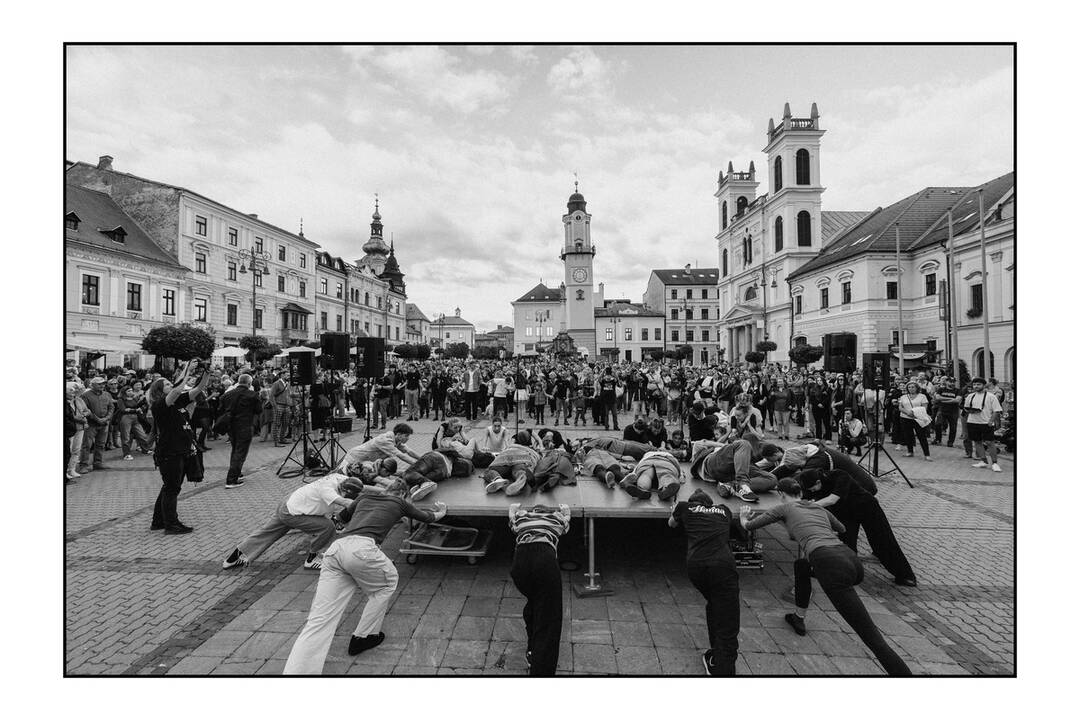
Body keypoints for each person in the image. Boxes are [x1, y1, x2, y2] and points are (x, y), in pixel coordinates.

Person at [740, 478, 912, 676]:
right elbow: (842, 529)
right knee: (802, 566)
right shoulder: (819, 509)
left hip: (831, 565)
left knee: (873, 639)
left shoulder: (783, 508)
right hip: (851, 561)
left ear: (781, 494)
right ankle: (798, 617)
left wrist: (745, 517)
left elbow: (749, 526)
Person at [283, 479, 447, 674]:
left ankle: (297, 673)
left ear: (385, 490)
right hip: (362, 550)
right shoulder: (400, 503)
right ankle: (362, 637)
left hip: (336, 550)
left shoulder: (364, 498)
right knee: (385, 585)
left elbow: (342, 518)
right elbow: (428, 517)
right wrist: (442, 511)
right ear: (403, 494)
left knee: (319, 619)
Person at [798, 468, 917, 587]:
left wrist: (809, 506)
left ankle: (905, 575)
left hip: (867, 508)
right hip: (846, 514)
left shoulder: (840, 475)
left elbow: (832, 499)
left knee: (883, 540)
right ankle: (846, 573)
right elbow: (805, 497)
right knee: (846, 544)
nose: (812, 491)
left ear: (818, 482)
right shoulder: (811, 484)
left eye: (812, 488)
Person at [222, 474, 366, 570]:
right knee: (327, 527)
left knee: (266, 533)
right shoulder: (329, 490)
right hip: (292, 511)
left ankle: (232, 559)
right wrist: (367, 506)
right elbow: (346, 502)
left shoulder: (341, 478)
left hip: (289, 504)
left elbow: (363, 488)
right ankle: (312, 559)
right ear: (346, 491)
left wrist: (383, 492)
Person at [669, 489, 742, 676]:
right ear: (710, 503)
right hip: (723, 566)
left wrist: (674, 511)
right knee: (728, 620)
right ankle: (723, 669)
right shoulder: (724, 510)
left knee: (714, 605)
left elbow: (671, 524)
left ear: (693, 502)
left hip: (696, 567)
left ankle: (716, 656)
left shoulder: (684, 507)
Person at [508, 501, 571, 676]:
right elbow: (567, 519)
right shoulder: (555, 519)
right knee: (549, 619)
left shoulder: (522, 518)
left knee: (535, 604)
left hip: (520, 563)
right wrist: (565, 510)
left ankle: (532, 650)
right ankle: (541, 672)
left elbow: (511, 516)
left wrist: (514, 507)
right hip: (544, 559)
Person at [149, 360, 210, 534]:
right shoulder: (160, 405)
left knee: (169, 486)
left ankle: (158, 521)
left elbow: (198, 390)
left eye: (170, 382)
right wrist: (187, 371)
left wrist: (206, 373)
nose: (171, 385)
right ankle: (171, 524)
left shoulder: (178, 402)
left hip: (181, 449)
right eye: (166, 384)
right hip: (170, 452)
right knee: (172, 488)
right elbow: (177, 389)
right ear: (160, 391)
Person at [692, 440, 784, 503]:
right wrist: (722, 445)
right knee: (743, 443)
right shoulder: (701, 452)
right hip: (714, 464)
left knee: (772, 479)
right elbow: (698, 443)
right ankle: (743, 484)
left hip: (734, 472)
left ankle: (731, 486)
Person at [218, 373, 260, 488]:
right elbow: (258, 410)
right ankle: (231, 480)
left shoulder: (227, 395)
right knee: (240, 452)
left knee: (235, 449)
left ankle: (237, 473)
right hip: (245, 426)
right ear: (249, 383)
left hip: (231, 427)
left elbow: (220, 410)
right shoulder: (252, 395)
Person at [337, 423, 423, 472]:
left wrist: (422, 459)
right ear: (399, 434)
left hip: (365, 461)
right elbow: (401, 455)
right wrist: (417, 465)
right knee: (341, 477)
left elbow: (409, 451)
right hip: (354, 458)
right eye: (406, 436)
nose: (408, 438)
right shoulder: (385, 440)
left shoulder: (396, 440)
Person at [480, 431, 541, 496]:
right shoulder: (530, 449)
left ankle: (497, 479)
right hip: (521, 460)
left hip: (506, 457)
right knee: (519, 470)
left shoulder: (512, 446)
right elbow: (537, 457)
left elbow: (505, 450)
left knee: (489, 471)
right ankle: (522, 477)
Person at [964, 377, 1003, 472]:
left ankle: (994, 463)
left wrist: (991, 421)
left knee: (990, 442)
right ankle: (983, 461)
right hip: (972, 421)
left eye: (978, 384)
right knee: (977, 441)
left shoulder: (991, 396)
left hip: (986, 422)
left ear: (983, 385)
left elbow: (997, 410)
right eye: (974, 384)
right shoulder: (970, 396)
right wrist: (970, 411)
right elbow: (966, 408)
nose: (976, 386)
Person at [78, 376, 115, 474]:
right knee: (87, 445)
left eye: (103, 383)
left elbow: (111, 407)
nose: (102, 385)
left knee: (101, 444)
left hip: (104, 423)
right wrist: (97, 419)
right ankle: (83, 465)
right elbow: (85, 410)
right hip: (91, 424)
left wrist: (106, 418)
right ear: (93, 385)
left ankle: (98, 463)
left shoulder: (107, 394)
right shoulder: (85, 395)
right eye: (99, 384)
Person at [619, 448, 683, 501]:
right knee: (667, 474)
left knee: (645, 475)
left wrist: (634, 472)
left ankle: (642, 489)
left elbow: (637, 467)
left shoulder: (647, 454)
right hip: (666, 462)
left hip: (647, 462)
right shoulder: (669, 455)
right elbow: (678, 469)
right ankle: (666, 489)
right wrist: (680, 476)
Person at [897, 381, 932, 461]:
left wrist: (914, 413)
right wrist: (907, 412)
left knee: (922, 436)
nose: (911, 389)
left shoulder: (922, 396)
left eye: (913, 387)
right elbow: (900, 407)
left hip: (918, 418)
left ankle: (927, 454)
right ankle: (910, 451)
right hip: (905, 418)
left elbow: (924, 407)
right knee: (908, 435)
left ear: (917, 388)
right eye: (909, 387)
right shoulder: (903, 397)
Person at [66, 381, 91, 482]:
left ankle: (71, 469)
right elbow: (69, 416)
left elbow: (88, 410)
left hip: (80, 428)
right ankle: (65, 471)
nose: (74, 392)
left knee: (76, 450)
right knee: (68, 450)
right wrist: (78, 418)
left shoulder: (79, 400)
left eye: (75, 390)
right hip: (70, 429)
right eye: (71, 390)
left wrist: (84, 415)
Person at [932, 376, 961, 447]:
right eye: (950, 381)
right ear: (946, 382)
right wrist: (951, 399)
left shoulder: (957, 390)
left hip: (953, 411)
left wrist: (943, 399)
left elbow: (957, 400)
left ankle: (950, 442)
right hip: (942, 410)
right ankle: (938, 439)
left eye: (953, 382)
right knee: (937, 424)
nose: (952, 383)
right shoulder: (941, 389)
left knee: (953, 427)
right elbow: (938, 398)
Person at [268, 371, 291, 447]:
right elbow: (271, 396)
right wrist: (275, 406)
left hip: (286, 406)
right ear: (282, 375)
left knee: (285, 423)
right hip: (279, 405)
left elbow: (289, 394)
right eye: (287, 375)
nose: (288, 376)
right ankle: (276, 441)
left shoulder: (287, 383)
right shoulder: (277, 383)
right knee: (277, 424)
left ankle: (282, 438)